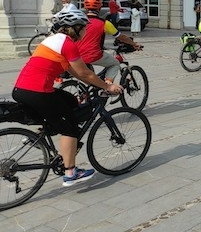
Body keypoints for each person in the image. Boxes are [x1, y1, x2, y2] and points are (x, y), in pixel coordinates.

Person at [12, 10, 123, 186]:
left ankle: (47, 133)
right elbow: (84, 72)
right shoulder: (67, 43)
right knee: (70, 127)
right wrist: (108, 86)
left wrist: (94, 83)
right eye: (84, 28)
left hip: (22, 89)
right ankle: (70, 172)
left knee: (70, 101)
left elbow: (74, 72)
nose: (86, 31)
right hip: (38, 91)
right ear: (75, 28)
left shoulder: (52, 40)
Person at [76, 0, 142, 83]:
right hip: (93, 55)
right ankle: (107, 86)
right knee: (115, 64)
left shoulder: (78, 21)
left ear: (85, 8)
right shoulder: (104, 23)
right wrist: (134, 44)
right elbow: (121, 37)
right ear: (99, 8)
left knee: (91, 80)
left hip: (76, 55)